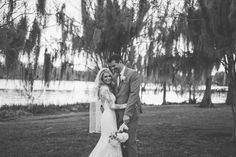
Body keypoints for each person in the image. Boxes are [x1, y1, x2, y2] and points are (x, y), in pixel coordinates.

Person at [89, 68, 128, 157]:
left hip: (110, 116)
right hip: (108, 117)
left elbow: (103, 105)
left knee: (110, 139)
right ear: (102, 79)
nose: (108, 78)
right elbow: (112, 106)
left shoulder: (106, 88)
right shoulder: (104, 89)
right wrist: (126, 105)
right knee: (109, 140)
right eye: (105, 77)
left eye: (109, 76)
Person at [108, 54, 141, 157]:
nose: (112, 68)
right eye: (111, 67)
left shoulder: (133, 74)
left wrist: (127, 114)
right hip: (117, 115)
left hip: (129, 114)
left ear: (120, 62)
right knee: (120, 142)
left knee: (130, 142)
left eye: (114, 65)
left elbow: (133, 95)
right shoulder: (114, 76)